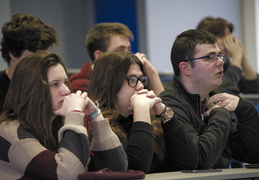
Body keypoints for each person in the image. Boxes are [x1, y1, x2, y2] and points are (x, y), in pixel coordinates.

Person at [0, 52, 127, 179]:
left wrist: (95, 116)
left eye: (66, 82)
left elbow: (116, 169)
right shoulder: (10, 132)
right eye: (55, 84)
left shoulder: (60, 124)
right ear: (31, 90)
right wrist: (74, 115)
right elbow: (67, 174)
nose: (66, 90)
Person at [159, 29, 259, 170]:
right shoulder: (169, 104)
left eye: (219, 56)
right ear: (186, 68)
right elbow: (200, 160)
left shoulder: (212, 97)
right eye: (210, 57)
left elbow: (251, 154)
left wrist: (246, 110)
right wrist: (221, 114)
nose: (220, 62)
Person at [88, 51, 186, 173]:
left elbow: (187, 162)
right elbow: (135, 171)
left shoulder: (148, 120)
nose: (140, 86)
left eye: (141, 79)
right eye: (132, 79)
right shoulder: (99, 126)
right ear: (109, 83)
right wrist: (141, 111)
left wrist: (164, 114)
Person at [70, 22, 164, 95]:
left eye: (129, 49)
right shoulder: (80, 86)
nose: (128, 55)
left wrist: (152, 73)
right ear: (99, 56)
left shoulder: (134, 78)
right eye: (121, 50)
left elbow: (165, 113)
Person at [0, 12, 58, 112]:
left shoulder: (50, 88)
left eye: (45, 58)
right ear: (13, 54)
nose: (43, 65)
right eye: (35, 59)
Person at [197, 16, 259, 95]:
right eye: (222, 36)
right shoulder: (200, 64)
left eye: (229, 36)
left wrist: (242, 57)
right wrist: (236, 58)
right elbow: (220, 92)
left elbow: (255, 91)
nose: (229, 40)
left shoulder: (225, 64)